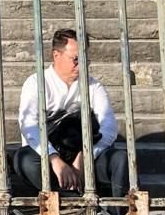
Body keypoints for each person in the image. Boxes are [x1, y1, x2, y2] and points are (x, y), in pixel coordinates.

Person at [14, 28, 130, 197]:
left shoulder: (93, 86)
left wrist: (86, 156)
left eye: (85, 59)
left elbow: (109, 126)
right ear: (56, 55)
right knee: (24, 159)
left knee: (120, 158)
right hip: (49, 157)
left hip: (85, 154)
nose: (81, 65)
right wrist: (54, 159)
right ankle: (70, 200)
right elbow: (29, 126)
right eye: (76, 59)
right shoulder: (35, 83)